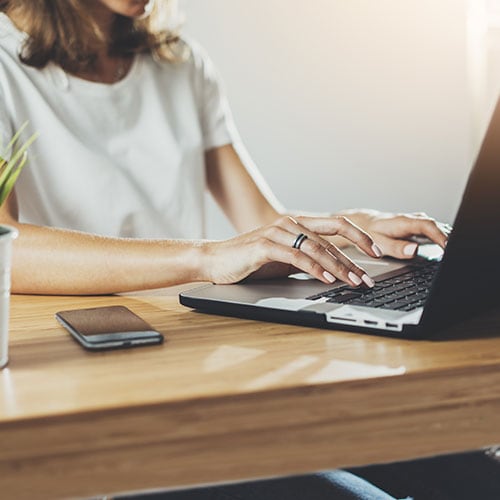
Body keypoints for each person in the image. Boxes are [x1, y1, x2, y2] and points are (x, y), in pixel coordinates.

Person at [0, 1, 497, 499]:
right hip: (93, 388)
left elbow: (259, 229)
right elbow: (7, 249)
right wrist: (204, 257)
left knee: (475, 474)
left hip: (193, 363)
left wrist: (353, 228)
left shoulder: (179, 62)